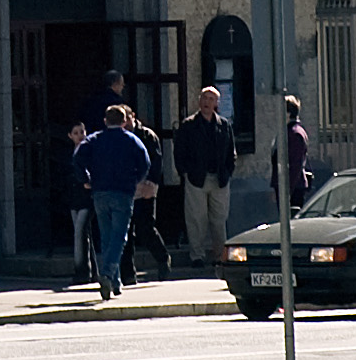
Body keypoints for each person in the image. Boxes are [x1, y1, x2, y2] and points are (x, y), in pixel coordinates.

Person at [72, 105, 153, 299]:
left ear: (105, 121)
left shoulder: (95, 139)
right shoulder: (131, 140)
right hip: (123, 192)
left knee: (107, 235)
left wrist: (85, 179)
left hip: (100, 191)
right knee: (120, 236)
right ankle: (108, 273)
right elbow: (146, 163)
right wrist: (135, 180)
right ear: (124, 121)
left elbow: (78, 158)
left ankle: (115, 284)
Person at [175, 85, 238, 264]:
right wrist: (185, 172)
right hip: (196, 178)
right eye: (204, 98)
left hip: (219, 178)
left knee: (219, 220)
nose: (206, 102)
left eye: (211, 99)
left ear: (216, 103)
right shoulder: (188, 125)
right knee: (196, 219)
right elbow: (179, 151)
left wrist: (228, 172)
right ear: (199, 101)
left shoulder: (223, 125)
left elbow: (231, 152)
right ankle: (197, 255)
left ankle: (219, 256)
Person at [124, 108, 175, 284]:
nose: (126, 124)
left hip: (145, 187)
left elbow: (156, 161)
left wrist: (152, 183)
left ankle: (162, 258)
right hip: (126, 189)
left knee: (145, 228)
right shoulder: (120, 136)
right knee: (126, 231)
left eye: (128, 119)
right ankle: (128, 273)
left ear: (133, 117)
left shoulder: (147, 136)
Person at [63, 120, 96, 283]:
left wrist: (89, 182)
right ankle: (93, 270)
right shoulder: (69, 154)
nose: (80, 136)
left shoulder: (89, 151)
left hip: (87, 197)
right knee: (83, 234)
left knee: (79, 232)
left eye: (82, 132)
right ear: (70, 136)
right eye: (76, 133)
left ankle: (82, 271)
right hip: (74, 197)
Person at [265, 96, 311, 211]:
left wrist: (286, 191)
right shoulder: (287, 131)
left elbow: (295, 165)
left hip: (292, 188)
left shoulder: (295, 134)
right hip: (285, 186)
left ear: (288, 113)